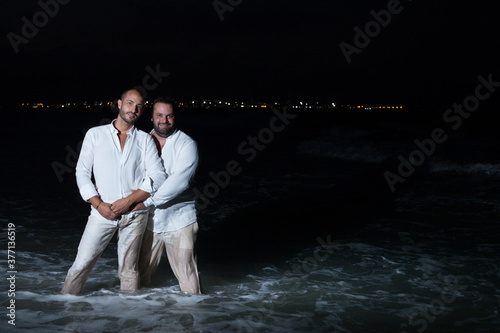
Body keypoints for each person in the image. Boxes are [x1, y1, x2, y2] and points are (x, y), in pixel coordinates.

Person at [61, 89, 166, 295]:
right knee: (81, 265)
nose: (134, 109)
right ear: (119, 104)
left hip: (135, 213)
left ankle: (127, 319)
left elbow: (158, 175)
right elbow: (82, 172)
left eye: (139, 106)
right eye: (129, 103)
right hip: (102, 212)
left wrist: (129, 201)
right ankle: (65, 311)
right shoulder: (95, 134)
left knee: (129, 271)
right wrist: (98, 204)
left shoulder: (145, 140)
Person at [134, 97, 202, 294]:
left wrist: (146, 200)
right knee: (139, 276)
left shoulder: (187, 144)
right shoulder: (141, 142)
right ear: (152, 118)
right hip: (148, 219)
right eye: (159, 115)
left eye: (169, 115)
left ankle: (196, 319)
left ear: (175, 117)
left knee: (188, 277)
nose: (164, 120)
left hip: (180, 219)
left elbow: (178, 182)